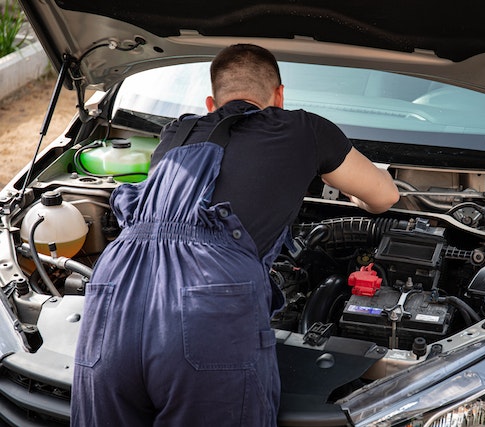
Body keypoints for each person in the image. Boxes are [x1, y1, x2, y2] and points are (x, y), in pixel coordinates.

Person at [72, 43, 399, 426]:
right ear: (279, 96)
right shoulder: (304, 129)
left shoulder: (177, 132)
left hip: (113, 290)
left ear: (212, 104)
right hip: (207, 298)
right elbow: (385, 196)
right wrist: (357, 200)